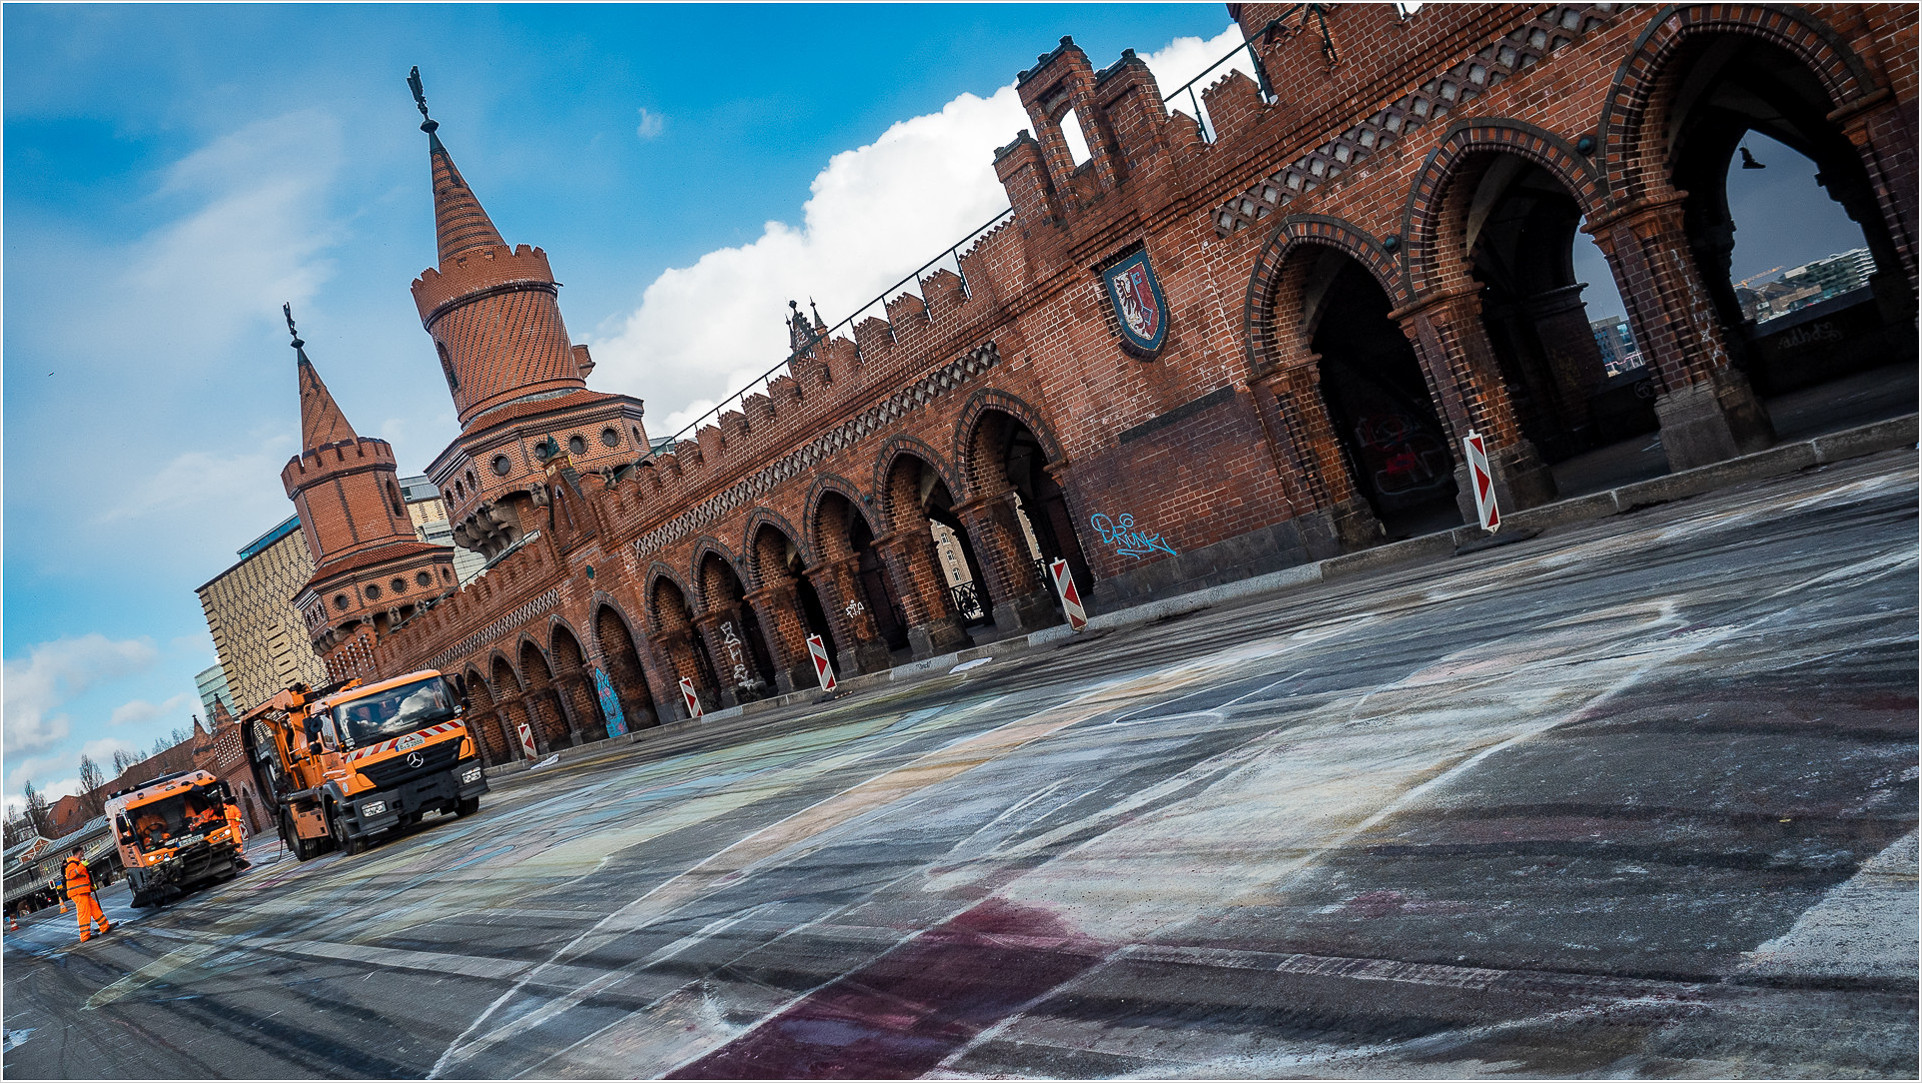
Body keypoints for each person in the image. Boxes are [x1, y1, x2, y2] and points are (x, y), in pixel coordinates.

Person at [64, 846, 110, 942]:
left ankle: (105, 927)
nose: (83, 854)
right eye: (82, 852)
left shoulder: (77, 863)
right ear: (79, 852)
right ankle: (85, 935)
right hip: (78, 893)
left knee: (94, 908)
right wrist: (82, 866)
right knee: (84, 913)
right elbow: (71, 875)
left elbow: (81, 879)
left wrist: (90, 887)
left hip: (83, 892)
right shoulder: (72, 863)